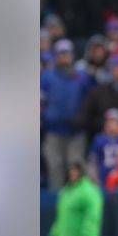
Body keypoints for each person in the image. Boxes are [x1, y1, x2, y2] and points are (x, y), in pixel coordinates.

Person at [41, 39, 91, 189]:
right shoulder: (47, 77)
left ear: (72, 56)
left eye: (67, 54)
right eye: (61, 54)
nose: (64, 58)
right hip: (53, 131)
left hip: (75, 132)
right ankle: (56, 204)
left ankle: (78, 200)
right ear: (56, 56)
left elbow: (90, 102)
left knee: (76, 166)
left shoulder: (82, 76)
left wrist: (83, 118)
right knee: (55, 167)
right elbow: (40, 101)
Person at [88, 108, 118, 186]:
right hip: (104, 179)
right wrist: (94, 179)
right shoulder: (99, 140)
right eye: (109, 122)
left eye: (114, 122)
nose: (111, 125)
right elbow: (93, 161)